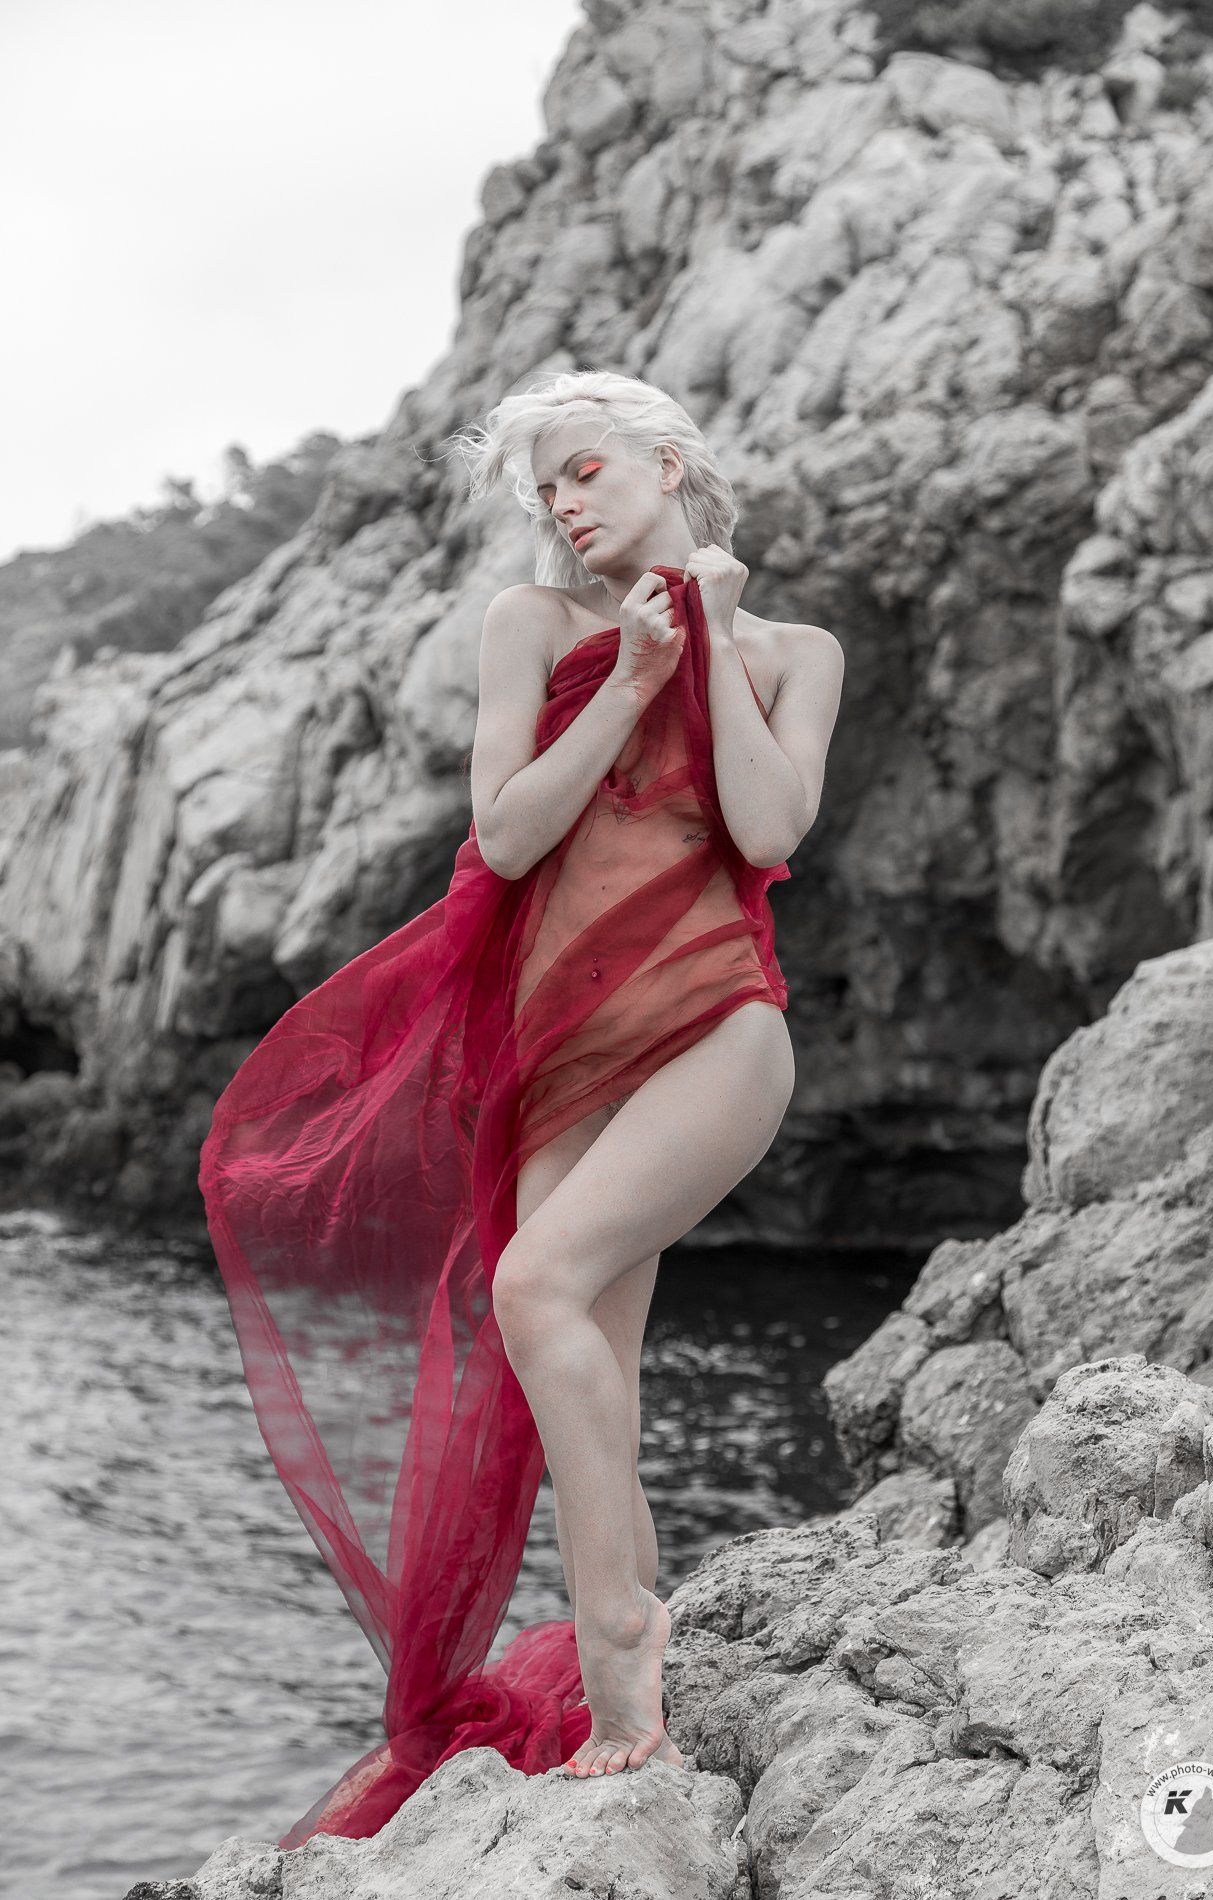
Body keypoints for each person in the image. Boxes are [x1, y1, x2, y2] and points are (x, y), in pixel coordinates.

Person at [198, 368, 843, 1842]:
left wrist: (711, 641)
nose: (562, 505)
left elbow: (766, 828)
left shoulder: (796, 652)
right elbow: (504, 834)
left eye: (584, 470)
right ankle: (628, 1646)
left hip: (714, 1027)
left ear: (667, 461)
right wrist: (630, 676)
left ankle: (622, 1640)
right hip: (561, 1053)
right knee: (585, 1358)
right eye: (545, 488)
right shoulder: (532, 625)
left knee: (533, 1284)